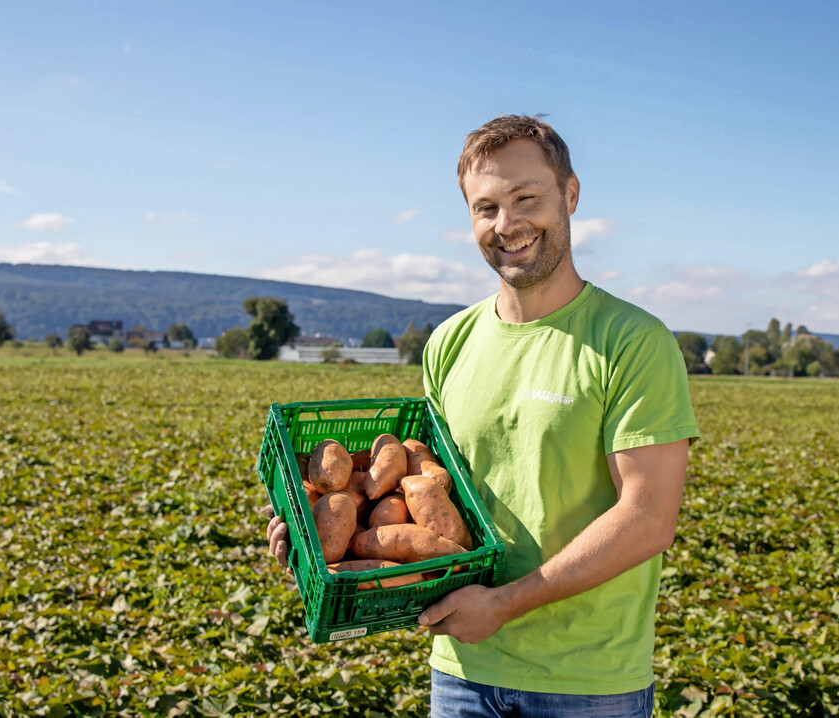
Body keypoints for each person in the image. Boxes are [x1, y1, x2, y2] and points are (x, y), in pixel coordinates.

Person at [266, 115, 699, 717]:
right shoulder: (449, 343)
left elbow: (648, 519)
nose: (506, 224)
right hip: (462, 671)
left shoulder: (632, 341)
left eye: (527, 199)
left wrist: (504, 604)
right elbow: (424, 492)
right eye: (486, 207)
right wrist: (314, 532)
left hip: (588, 681)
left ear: (571, 194)